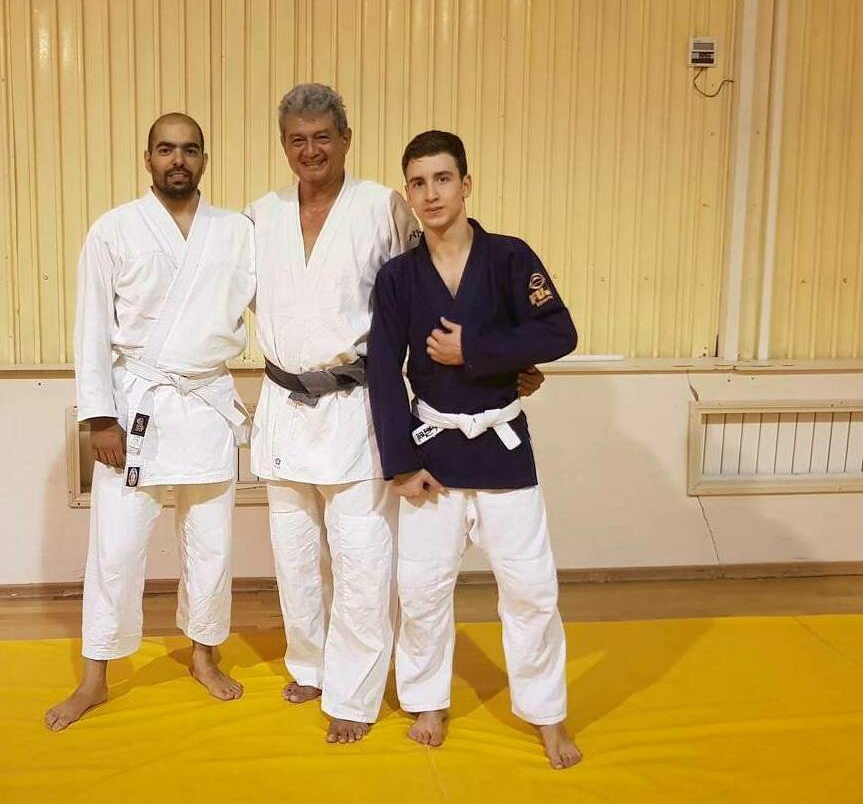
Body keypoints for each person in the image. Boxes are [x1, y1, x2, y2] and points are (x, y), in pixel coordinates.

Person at [246, 84, 544, 744]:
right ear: (284, 145)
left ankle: (352, 695)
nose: (310, 150)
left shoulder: (383, 206)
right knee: (295, 557)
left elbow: (438, 285)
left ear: (346, 139)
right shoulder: (260, 216)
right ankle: (310, 665)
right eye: (297, 139)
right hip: (282, 407)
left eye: (323, 136)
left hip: (356, 404)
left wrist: (498, 359)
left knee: (361, 560)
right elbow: (222, 294)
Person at [367, 130, 582, 769]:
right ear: (408, 194)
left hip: (503, 450)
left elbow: (560, 332)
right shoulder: (399, 276)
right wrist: (400, 464)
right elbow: (383, 371)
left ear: (466, 184)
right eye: (418, 183)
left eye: (442, 179)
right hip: (432, 452)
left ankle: (547, 714)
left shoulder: (510, 257)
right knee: (423, 589)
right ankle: (427, 701)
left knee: (531, 589)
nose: (431, 193)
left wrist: (477, 350)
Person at [45, 113, 256, 732]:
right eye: (166, 149)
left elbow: (279, 308)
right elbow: (90, 329)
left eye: (189, 149)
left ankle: (204, 654)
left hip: (207, 403)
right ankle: (95, 676)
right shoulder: (113, 229)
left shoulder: (236, 232)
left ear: (204, 159)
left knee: (212, 547)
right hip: (136, 408)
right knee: (114, 550)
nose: (177, 160)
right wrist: (99, 418)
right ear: (148, 159)